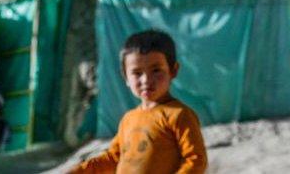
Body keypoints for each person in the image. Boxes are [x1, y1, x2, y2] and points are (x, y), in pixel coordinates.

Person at [71, 30, 207, 174]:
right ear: (126, 78)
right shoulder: (128, 119)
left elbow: (196, 159)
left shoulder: (178, 115)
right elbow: (113, 158)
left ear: (173, 70)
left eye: (156, 70)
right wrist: (78, 171)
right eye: (137, 73)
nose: (146, 80)